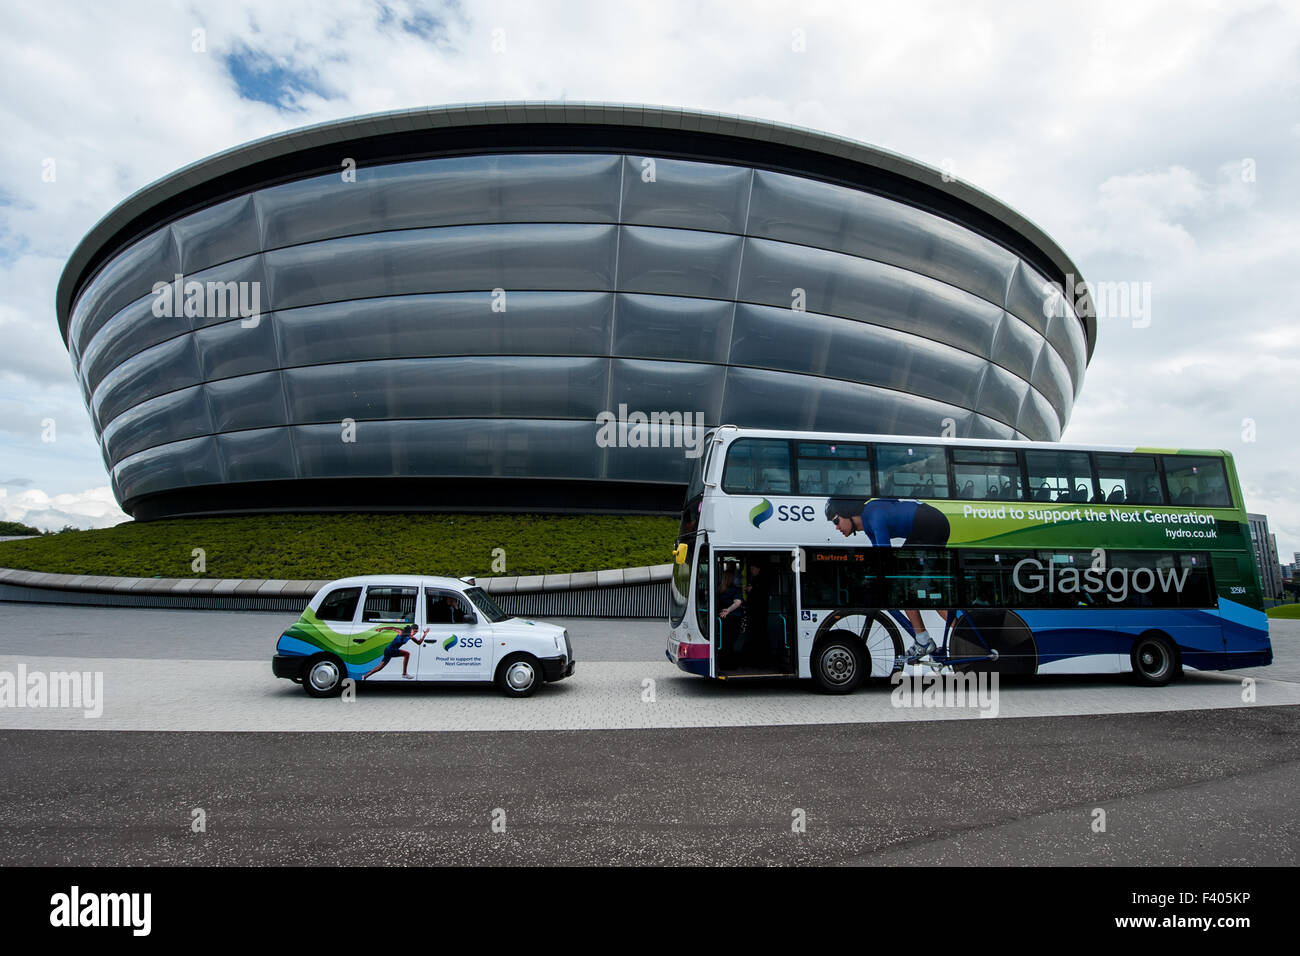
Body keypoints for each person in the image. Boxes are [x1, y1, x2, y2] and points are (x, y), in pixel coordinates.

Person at [825, 496, 951, 659]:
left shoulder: (873, 516)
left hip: (929, 525)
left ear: (846, 513)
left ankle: (929, 640)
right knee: (913, 588)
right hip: (930, 524)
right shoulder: (869, 525)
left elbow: (886, 557)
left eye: (836, 521)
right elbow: (879, 561)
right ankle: (944, 632)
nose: (837, 528)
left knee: (905, 586)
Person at [363, 624, 428, 680]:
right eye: (414, 631)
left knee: (379, 668)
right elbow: (392, 628)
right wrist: (381, 628)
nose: (415, 633)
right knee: (407, 654)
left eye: (416, 632)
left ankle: (365, 677)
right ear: (411, 629)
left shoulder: (411, 637)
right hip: (390, 649)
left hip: (390, 651)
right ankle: (404, 673)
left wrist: (424, 635)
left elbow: (419, 643)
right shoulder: (401, 632)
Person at [716, 568, 743, 667]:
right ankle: (730, 664)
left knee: (724, 641)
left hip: (722, 618)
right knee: (731, 642)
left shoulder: (719, 589)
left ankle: (723, 662)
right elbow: (738, 602)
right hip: (734, 617)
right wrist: (728, 610)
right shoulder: (735, 589)